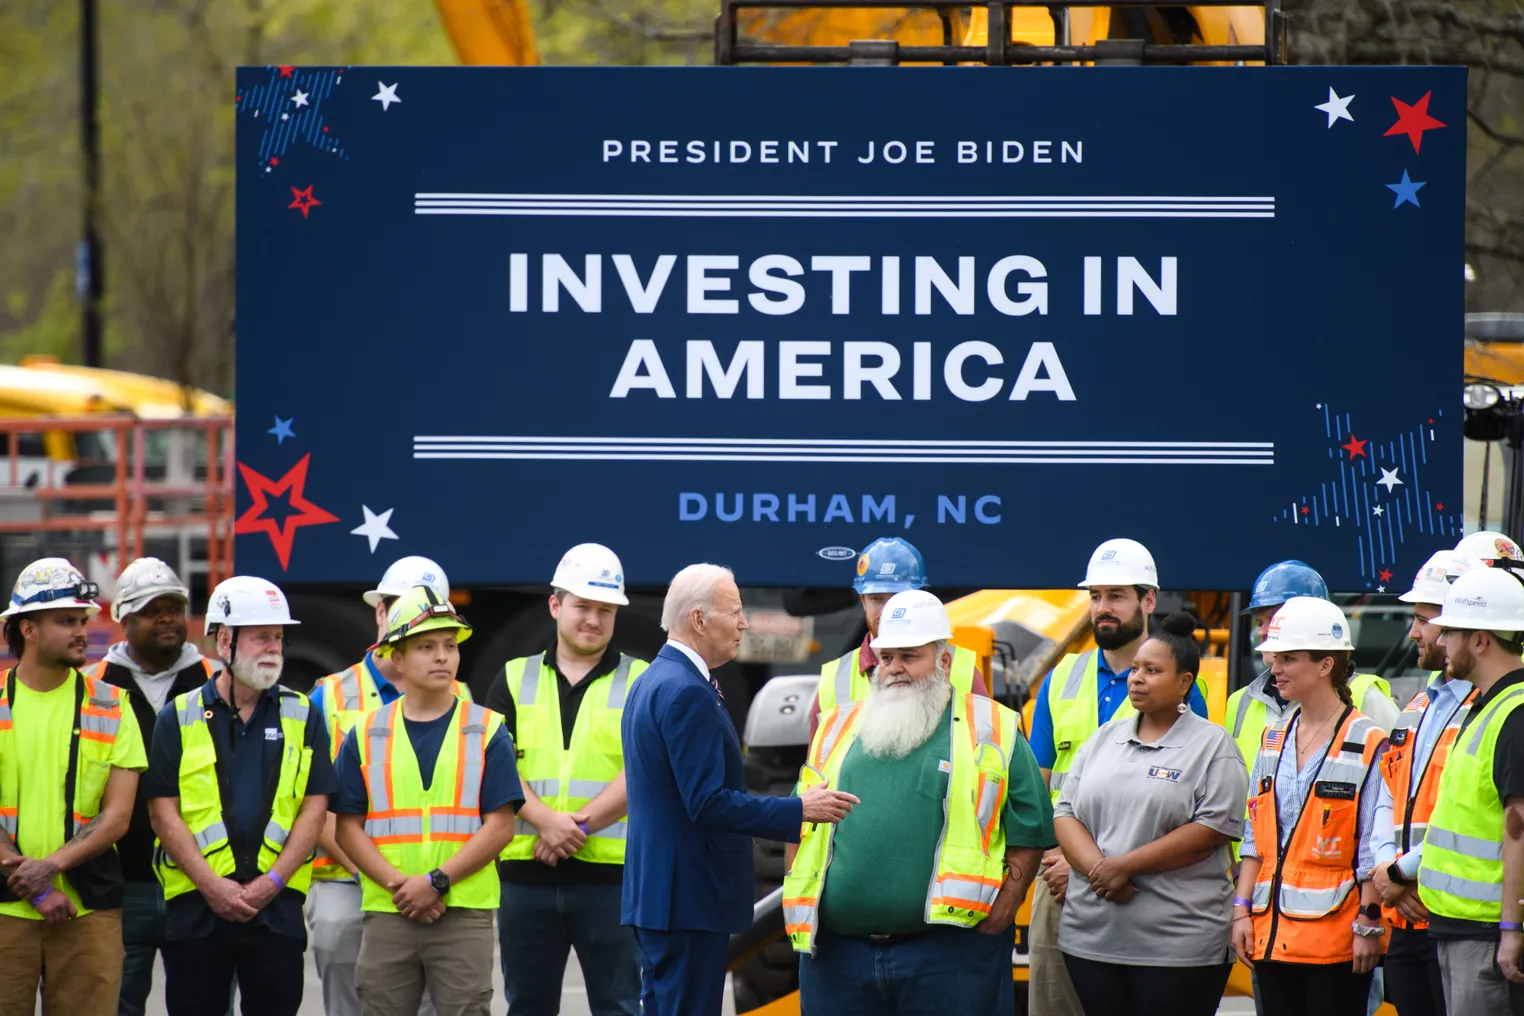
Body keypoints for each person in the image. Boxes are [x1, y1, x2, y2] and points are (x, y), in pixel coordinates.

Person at [786, 589, 1052, 1016]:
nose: (894, 669)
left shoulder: (993, 728)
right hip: (838, 961)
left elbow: (1031, 829)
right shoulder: (835, 727)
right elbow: (798, 821)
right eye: (887, 657)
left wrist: (1007, 905)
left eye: (909, 657)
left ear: (944, 662)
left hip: (949, 958)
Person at [621, 563, 858, 1016]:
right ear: (698, 619)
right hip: (688, 902)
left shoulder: (652, 680)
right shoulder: (686, 691)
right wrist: (799, 809)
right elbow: (707, 803)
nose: (744, 623)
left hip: (660, 897)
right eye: (735, 612)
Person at [1028, 538, 1208, 1016]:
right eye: (1095, 597)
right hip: (1060, 878)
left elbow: (1190, 804)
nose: (1102, 609)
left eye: (1116, 596)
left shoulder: (1189, 687)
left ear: (1148, 600)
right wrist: (1070, 861)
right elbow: (1037, 790)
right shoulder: (1060, 677)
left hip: (1148, 886)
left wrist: (1099, 868)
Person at [146, 576, 335, 1016]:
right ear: (225, 640)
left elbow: (314, 807)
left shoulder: (303, 713)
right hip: (197, 909)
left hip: (277, 909)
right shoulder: (179, 715)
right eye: (262, 637)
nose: (274, 647)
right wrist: (213, 887)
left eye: (279, 637)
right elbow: (163, 812)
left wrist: (271, 884)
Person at [332, 585, 522, 1016]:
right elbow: (347, 826)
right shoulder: (365, 732)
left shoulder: (488, 729)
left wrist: (435, 882)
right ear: (396, 659)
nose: (442, 656)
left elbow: (501, 825)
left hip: (463, 910)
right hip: (389, 908)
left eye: (450, 646)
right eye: (426, 646)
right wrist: (401, 887)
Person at [1053, 613, 1246, 1016]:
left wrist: (1123, 867)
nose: (1136, 678)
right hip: (1093, 938)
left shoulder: (1212, 745)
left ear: (1184, 683)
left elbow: (1211, 829)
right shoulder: (1105, 739)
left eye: (1152, 670)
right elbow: (1066, 812)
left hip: (1178, 945)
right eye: (1135, 668)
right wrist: (1099, 870)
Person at [484, 543, 647, 1016]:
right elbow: (496, 764)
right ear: (556, 606)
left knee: (619, 1007)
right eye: (583, 606)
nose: (593, 619)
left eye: (605, 609)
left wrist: (573, 828)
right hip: (525, 879)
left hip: (613, 881)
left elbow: (644, 769)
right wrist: (545, 822)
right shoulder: (513, 678)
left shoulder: (642, 680)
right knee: (528, 1006)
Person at [307, 556, 460, 1016]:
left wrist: (432, 881)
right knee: (337, 938)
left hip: (436, 876)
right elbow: (313, 803)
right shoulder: (329, 696)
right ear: (379, 614)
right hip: (345, 871)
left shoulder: (463, 698)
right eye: (400, 612)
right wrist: (378, 877)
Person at [0, 558, 147, 1016]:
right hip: (5, 911)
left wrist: (52, 868)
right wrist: (38, 889)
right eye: (66, 621)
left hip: (90, 911)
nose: (83, 630)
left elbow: (118, 816)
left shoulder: (113, 706)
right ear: (28, 629)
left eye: (83, 620)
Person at [1232, 596, 1389, 1016]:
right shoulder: (1273, 738)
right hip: (1270, 937)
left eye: (1288, 658)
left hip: (1335, 944)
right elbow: (1254, 838)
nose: (1275, 668)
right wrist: (1240, 912)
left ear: (1326, 665)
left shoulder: (1368, 741)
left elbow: (1373, 846)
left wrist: (1369, 922)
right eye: (1273, 657)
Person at [86, 557, 217, 1016]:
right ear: (122, 618)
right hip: (123, 886)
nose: (166, 618)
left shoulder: (217, 682)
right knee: (116, 1004)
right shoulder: (92, 689)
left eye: (174, 607)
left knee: (202, 1004)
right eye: (150, 609)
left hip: (203, 883)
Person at [1415, 564, 1524, 1014]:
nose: (1440, 640)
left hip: (1485, 933)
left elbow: (1519, 830)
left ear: (1481, 640)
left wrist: (1512, 930)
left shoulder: (1514, 714)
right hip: (1462, 927)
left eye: (1452, 631)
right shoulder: (1490, 705)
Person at [1370, 551, 1474, 1016]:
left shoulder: (1488, 706)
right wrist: (1384, 874)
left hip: (1451, 916)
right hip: (1403, 916)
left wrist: (1399, 875)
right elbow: (1385, 798)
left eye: (1423, 619)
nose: (1413, 632)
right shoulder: (1417, 707)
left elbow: (1468, 814)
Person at [809, 537, 988, 736]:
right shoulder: (834, 680)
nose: (888, 610)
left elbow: (990, 753)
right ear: (863, 601)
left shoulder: (963, 670)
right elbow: (819, 762)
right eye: (877, 599)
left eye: (898, 597)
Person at [1228, 561, 1400, 767]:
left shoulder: (1367, 696)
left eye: (1274, 620)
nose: (1262, 631)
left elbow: (1397, 780)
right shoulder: (1240, 702)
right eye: (1260, 622)